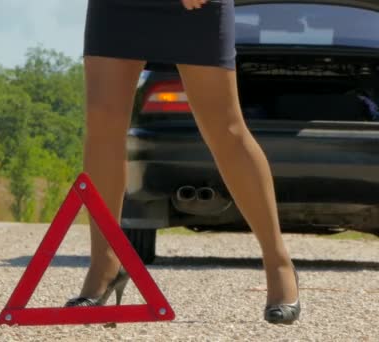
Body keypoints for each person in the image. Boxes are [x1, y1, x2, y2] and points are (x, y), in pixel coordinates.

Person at [64, 0, 301, 325]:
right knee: (102, 124)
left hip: (195, 8)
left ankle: (278, 263)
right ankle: (104, 264)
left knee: (225, 128)